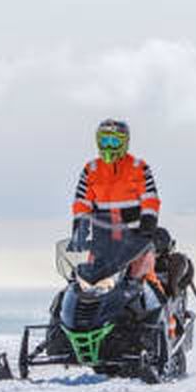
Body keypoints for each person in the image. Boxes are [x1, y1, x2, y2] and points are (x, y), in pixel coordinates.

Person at [68, 118, 162, 292]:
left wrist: (148, 224)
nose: (109, 146)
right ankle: (64, 314)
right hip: (102, 240)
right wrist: (79, 231)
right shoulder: (91, 169)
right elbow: (81, 203)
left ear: (124, 142)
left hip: (135, 240)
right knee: (82, 282)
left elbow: (150, 199)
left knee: (144, 279)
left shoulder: (138, 167)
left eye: (114, 141)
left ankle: (166, 316)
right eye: (105, 140)